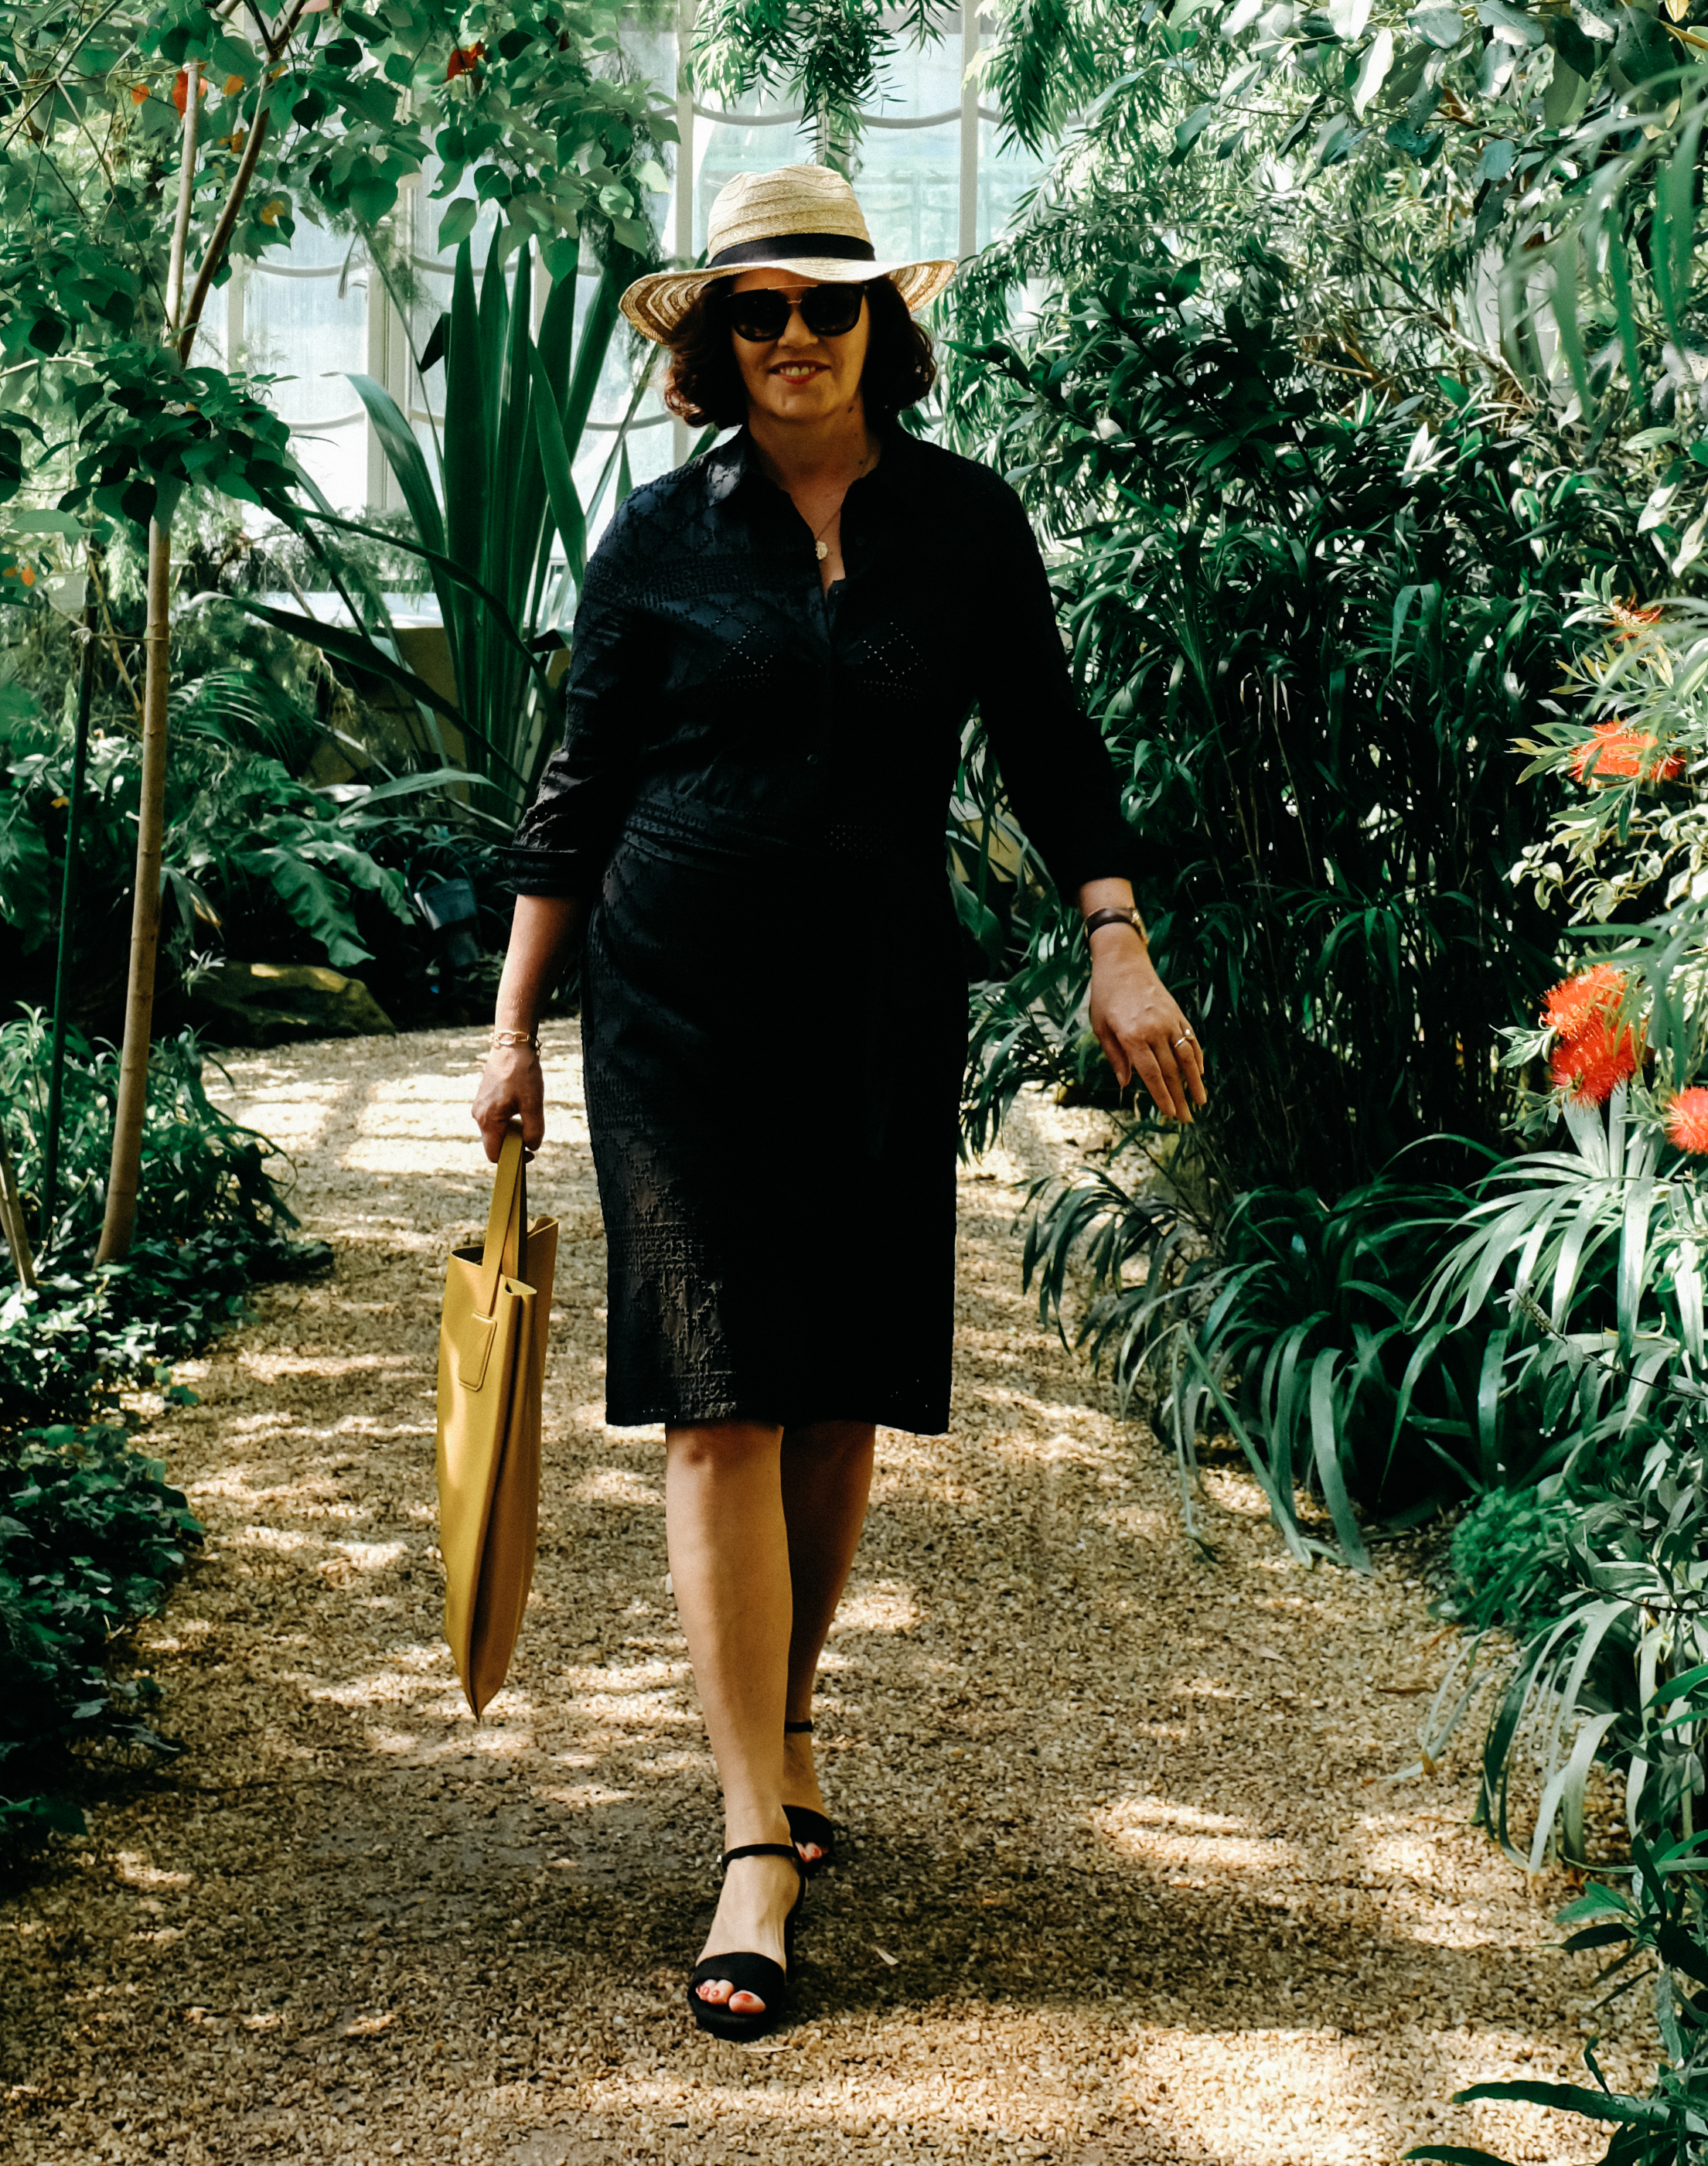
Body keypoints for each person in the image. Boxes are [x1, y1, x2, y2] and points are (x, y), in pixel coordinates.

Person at [469, 163, 1205, 2041]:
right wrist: (508, 1027)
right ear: (715, 340)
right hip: (677, 1000)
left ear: (882, 322)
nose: (791, 334)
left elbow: (1048, 740)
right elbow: (576, 786)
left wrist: (1114, 941)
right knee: (714, 1395)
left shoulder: (965, 525)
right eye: (756, 311)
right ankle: (747, 1843)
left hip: (878, 993)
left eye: (825, 302)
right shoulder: (650, 536)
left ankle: (783, 1726)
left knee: (834, 1390)